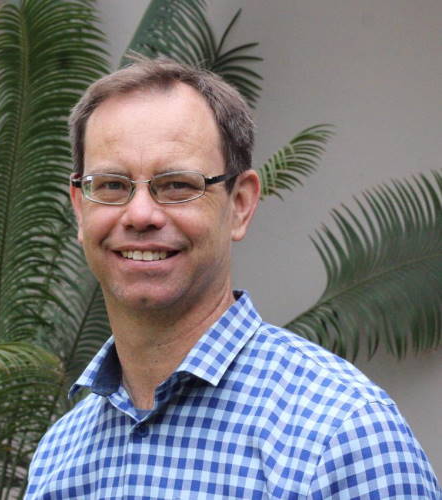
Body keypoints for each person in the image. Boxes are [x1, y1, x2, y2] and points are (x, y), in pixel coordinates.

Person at [25, 57, 440, 499]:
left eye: (177, 185)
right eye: (111, 185)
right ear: (79, 207)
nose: (140, 214)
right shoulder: (59, 456)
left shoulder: (343, 434)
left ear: (240, 204)